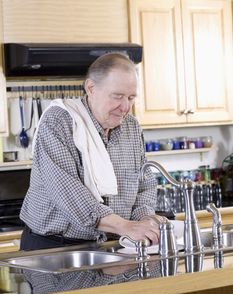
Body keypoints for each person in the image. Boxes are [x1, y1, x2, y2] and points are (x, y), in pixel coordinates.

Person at [20, 52, 165, 251]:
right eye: (118, 96)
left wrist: (144, 221)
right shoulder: (59, 121)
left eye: (131, 98)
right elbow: (67, 192)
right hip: (53, 246)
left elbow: (144, 184)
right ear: (91, 88)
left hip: (112, 243)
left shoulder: (131, 127)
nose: (125, 107)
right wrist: (125, 226)